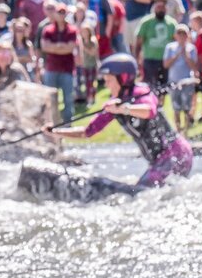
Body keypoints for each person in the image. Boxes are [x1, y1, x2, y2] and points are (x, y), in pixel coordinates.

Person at [51, 53, 194, 187]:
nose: (106, 85)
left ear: (123, 78)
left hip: (176, 153)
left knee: (142, 191)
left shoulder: (141, 92)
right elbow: (87, 132)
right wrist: (56, 132)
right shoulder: (114, 104)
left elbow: (149, 111)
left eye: (109, 81)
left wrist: (123, 109)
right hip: (159, 160)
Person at [36, 3, 76, 120]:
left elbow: (70, 47)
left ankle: (67, 123)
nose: (61, 15)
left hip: (67, 68)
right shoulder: (48, 30)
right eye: (59, 12)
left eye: (63, 12)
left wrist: (55, 47)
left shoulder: (71, 30)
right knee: (51, 98)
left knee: (68, 98)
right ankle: (53, 122)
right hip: (51, 68)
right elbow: (45, 47)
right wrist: (62, 47)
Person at [134, 0, 176, 89]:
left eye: (162, 7)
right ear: (154, 8)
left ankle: (161, 103)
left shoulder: (172, 24)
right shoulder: (146, 22)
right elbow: (139, 42)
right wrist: (137, 58)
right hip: (150, 59)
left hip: (166, 60)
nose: (160, 10)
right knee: (149, 85)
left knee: (164, 86)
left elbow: (176, 42)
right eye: (158, 7)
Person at [163, 24, 198, 133]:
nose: (182, 36)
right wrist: (177, 55)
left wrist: (186, 55)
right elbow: (166, 64)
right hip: (174, 82)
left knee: (187, 108)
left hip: (187, 82)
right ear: (175, 35)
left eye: (184, 33)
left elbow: (194, 67)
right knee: (176, 108)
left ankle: (186, 131)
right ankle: (178, 131)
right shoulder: (170, 47)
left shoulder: (191, 48)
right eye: (179, 33)